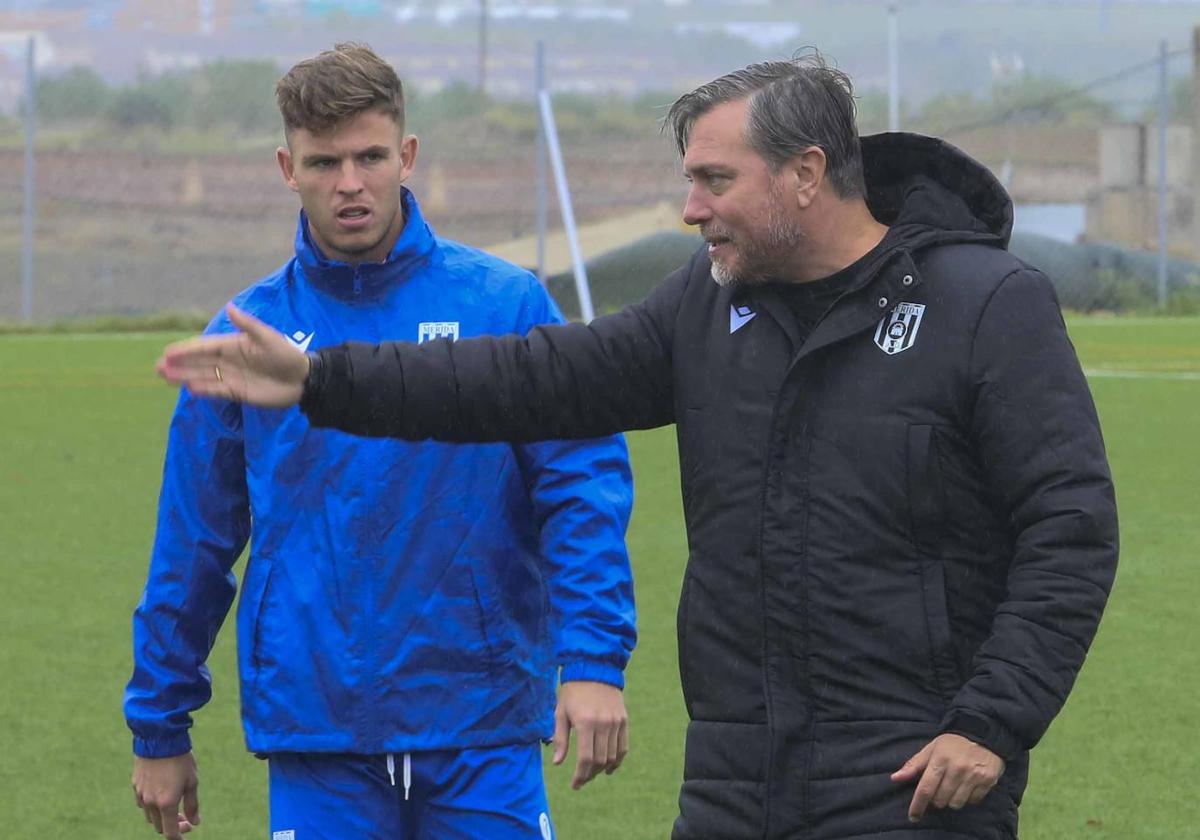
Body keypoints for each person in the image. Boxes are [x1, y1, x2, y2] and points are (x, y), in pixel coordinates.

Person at [158, 53, 1119, 840]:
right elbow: (528, 379)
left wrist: (992, 722)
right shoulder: (708, 305)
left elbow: (1071, 530)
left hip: (913, 784)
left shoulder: (987, 304)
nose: (691, 210)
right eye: (688, 182)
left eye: (713, 181)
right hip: (738, 783)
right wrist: (323, 381)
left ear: (807, 174)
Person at [126, 43, 637, 840]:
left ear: (407, 156)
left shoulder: (503, 305)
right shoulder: (244, 341)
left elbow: (580, 487)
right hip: (319, 732)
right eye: (323, 162)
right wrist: (160, 725)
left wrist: (596, 661)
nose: (350, 183)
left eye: (369, 156)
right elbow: (192, 543)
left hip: (482, 723)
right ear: (286, 169)